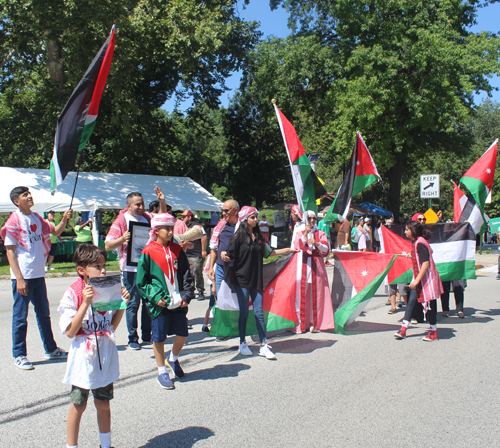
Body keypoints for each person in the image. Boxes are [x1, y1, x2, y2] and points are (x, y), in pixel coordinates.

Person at [59, 244, 129, 448]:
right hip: (83, 358)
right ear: (82, 270)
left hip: (104, 355)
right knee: (78, 405)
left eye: (104, 265)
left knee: (104, 404)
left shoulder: (107, 289)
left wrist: (121, 305)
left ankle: (105, 445)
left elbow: (111, 326)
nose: (104, 270)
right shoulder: (74, 293)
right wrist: (85, 303)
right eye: (97, 266)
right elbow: (70, 332)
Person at [1, 186, 72, 370]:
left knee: (44, 315)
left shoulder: (36, 218)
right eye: (25, 195)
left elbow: (55, 231)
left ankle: (51, 349)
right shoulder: (13, 221)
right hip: (23, 276)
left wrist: (64, 219)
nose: (30, 197)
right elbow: (10, 252)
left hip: (38, 274)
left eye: (29, 194)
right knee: (20, 317)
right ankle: (19, 354)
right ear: (17, 201)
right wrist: (19, 279)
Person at [224, 206, 298, 358]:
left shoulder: (258, 238)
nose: (256, 220)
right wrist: (224, 254)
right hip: (241, 280)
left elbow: (270, 253)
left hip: (256, 280)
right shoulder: (237, 238)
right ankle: (242, 342)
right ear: (245, 219)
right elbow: (227, 253)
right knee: (244, 313)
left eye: (256, 217)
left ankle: (263, 345)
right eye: (253, 217)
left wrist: (290, 250)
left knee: (259, 312)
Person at [136, 214, 194, 389]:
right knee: (159, 337)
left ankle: (173, 359)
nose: (170, 232)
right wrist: (154, 298)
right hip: (160, 302)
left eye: (171, 229)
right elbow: (141, 281)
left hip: (178, 302)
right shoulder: (148, 251)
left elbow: (186, 275)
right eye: (166, 229)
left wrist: (187, 295)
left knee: (183, 333)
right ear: (156, 230)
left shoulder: (178, 250)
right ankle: (162, 371)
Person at [105, 187, 166, 350]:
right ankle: (133, 337)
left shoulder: (147, 218)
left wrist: (162, 202)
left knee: (148, 302)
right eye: (137, 205)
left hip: (147, 267)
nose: (141, 207)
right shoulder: (121, 221)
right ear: (129, 205)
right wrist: (122, 239)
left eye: (143, 204)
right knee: (132, 303)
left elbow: (163, 219)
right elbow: (107, 244)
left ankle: (147, 335)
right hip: (130, 269)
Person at [394, 220, 443, 341]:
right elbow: (429, 252)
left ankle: (433, 331)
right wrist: (413, 255)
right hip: (420, 277)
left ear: (413, 231)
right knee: (411, 302)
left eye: (407, 229)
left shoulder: (419, 243)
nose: (405, 232)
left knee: (431, 304)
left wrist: (416, 281)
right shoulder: (418, 242)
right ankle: (404, 328)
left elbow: (425, 263)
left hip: (427, 278)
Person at [291, 210, 335, 333]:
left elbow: (326, 249)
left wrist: (317, 243)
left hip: (317, 268)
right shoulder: (299, 233)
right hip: (303, 267)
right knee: (302, 295)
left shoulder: (320, 233)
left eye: (313, 218)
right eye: (309, 218)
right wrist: (305, 234)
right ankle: (300, 323)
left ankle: (315, 323)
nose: (311, 221)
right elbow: (297, 246)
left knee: (317, 296)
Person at [208, 199, 240, 296]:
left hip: (235, 268)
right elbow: (214, 248)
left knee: (234, 298)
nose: (223, 213)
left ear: (236, 211)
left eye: (226, 211)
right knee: (219, 297)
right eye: (222, 210)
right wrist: (210, 268)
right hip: (220, 267)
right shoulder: (221, 226)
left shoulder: (242, 227)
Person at [180, 210, 207, 300]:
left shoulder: (197, 226)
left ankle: (200, 291)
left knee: (197, 272)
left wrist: (203, 250)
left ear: (189, 217)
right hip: (187, 253)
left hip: (196, 253)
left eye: (184, 217)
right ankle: (190, 291)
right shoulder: (184, 226)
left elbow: (204, 236)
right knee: (189, 273)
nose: (182, 218)